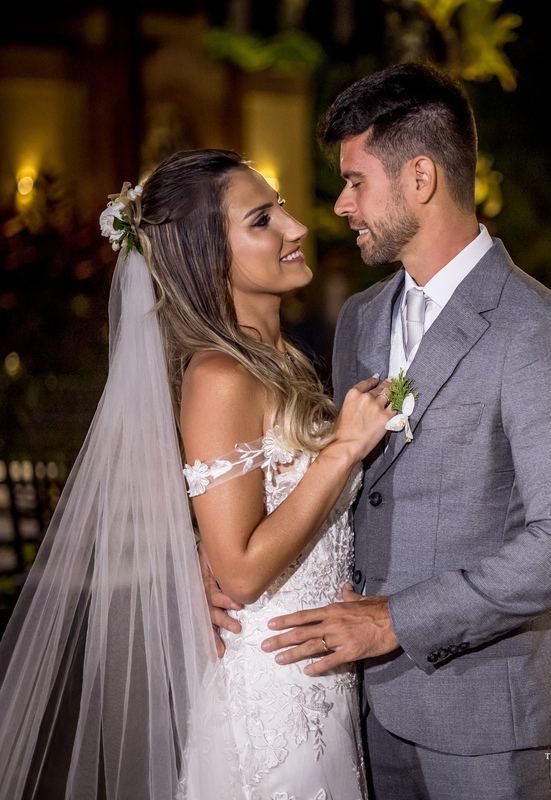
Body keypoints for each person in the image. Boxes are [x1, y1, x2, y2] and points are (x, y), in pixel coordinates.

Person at [208, 63, 551, 799]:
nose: (340, 205)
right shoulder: (360, 319)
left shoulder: (535, 328)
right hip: (354, 708)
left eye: (355, 182)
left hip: (484, 724)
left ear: (420, 177)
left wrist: (398, 620)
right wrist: (219, 568)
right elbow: (333, 486)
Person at [0, 149, 394, 799]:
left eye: (281, 209)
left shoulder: (285, 360)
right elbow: (239, 573)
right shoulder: (219, 376)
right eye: (262, 220)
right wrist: (343, 450)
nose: (296, 227)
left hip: (323, 683)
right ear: (209, 258)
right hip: (274, 694)